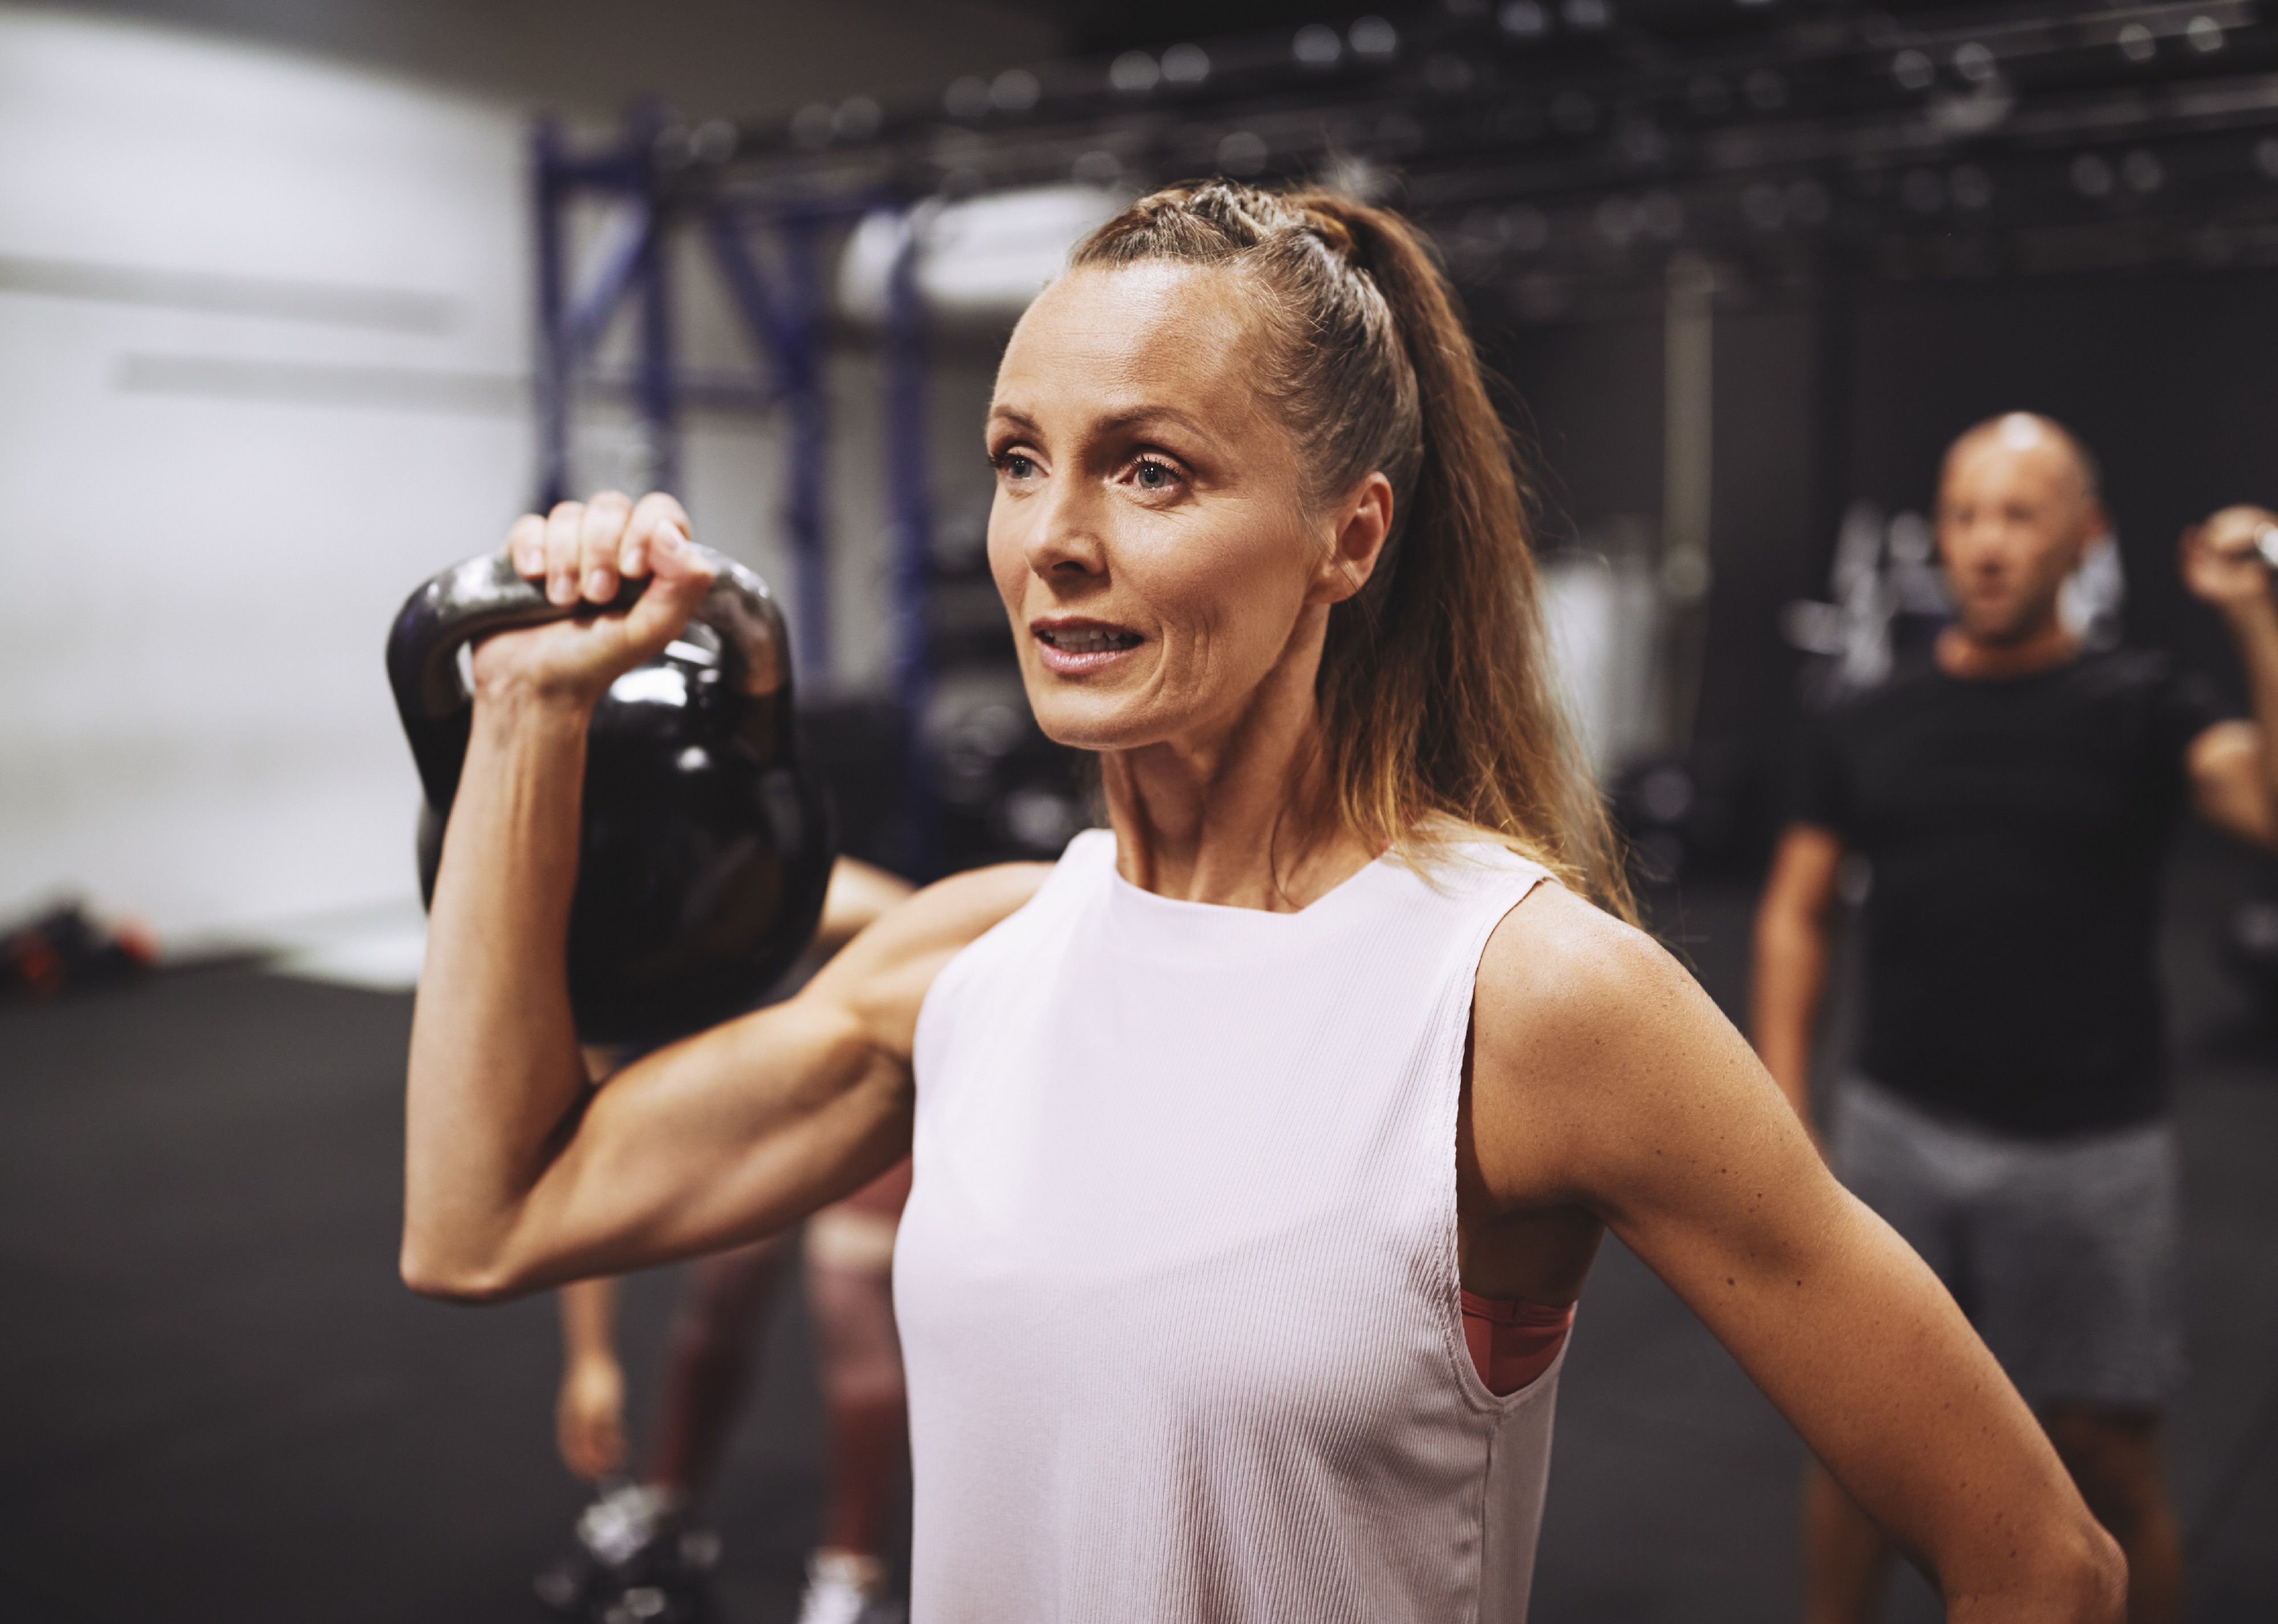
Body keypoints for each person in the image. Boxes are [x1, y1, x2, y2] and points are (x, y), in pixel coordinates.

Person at [402, 182, 2123, 1622]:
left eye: (1148, 469)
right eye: (1019, 461)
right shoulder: (975, 952)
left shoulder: (1523, 998)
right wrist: (531, 710)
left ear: (1346, 537)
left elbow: (2037, 1562)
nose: (1053, 539)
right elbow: (482, 1219)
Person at [1753, 415, 2278, 1624]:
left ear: (2082, 536)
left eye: (2019, 515)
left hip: (2089, 1151)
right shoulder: (1866, 720)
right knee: (1860, 1455)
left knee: (2108, 1462)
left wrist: (2252, 612)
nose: (1986, 544)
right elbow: (1796, 913)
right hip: (1897, 1132)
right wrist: (1785, 1114)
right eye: (1965, 516)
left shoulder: (2144, 705)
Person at [545, 860, 917, 1624]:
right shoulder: (591, 969)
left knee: (847, 1285)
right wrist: (590, 1359)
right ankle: (666, 1506)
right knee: (728, 1273)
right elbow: (565, 1178)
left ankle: (852, 1577)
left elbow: (930, 949)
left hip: (882, 1052)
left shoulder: (813, 896)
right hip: (762, 1080)